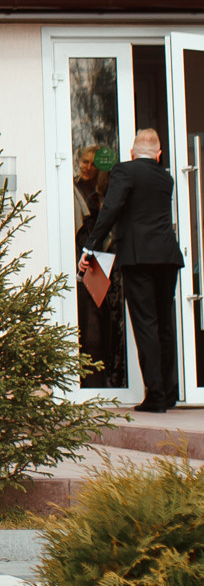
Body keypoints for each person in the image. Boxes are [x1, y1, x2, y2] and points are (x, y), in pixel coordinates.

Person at [80, 129, 185, 413]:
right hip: (167, 256)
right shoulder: (166, 178)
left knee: (145, 322)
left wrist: (91, 246)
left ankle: (156, 396)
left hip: (139, 257)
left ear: (131, 153)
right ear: (158, 155)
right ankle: (170, 392)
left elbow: (111, 208)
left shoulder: (124, 171)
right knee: (164, 323)